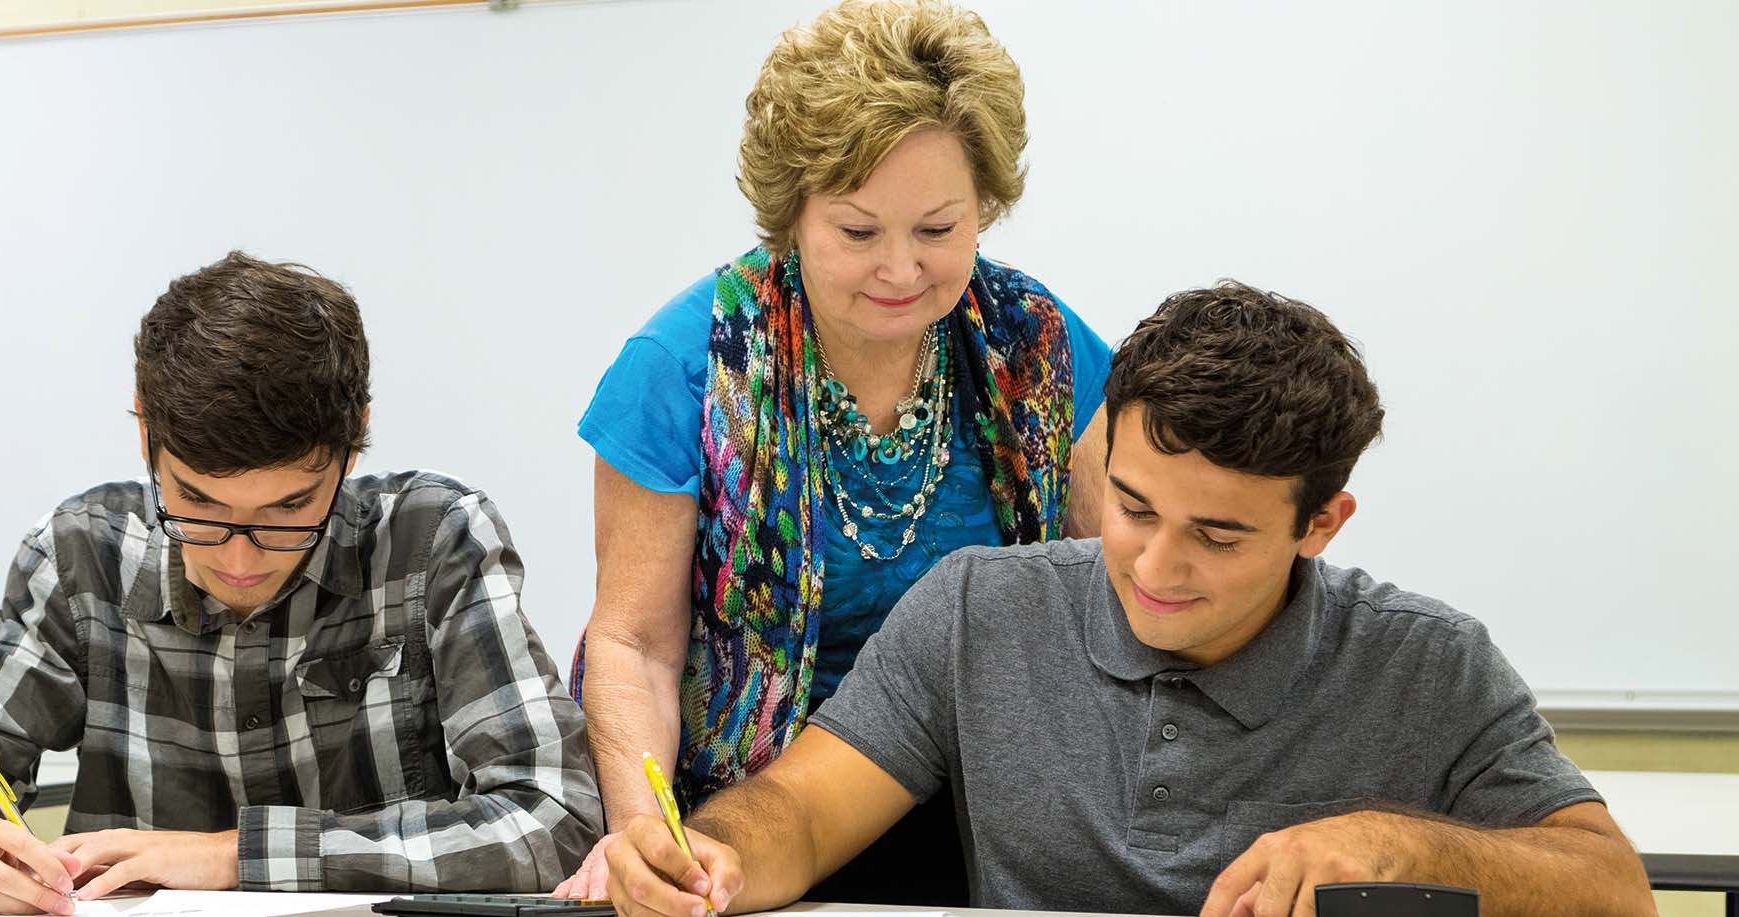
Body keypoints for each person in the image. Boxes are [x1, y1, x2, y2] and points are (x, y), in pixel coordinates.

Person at [599, 281, 1657, 917]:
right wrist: (716, 850)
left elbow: (1611, 888)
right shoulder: (975, 609)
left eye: (1216, 534)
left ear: (1320, 523)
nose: (1152, 564)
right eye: (1134, 505)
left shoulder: (1424, 660)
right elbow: (805, 807)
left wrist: (1396, 844)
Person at [556, 0, 1113, 904]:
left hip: (998, 817)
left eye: (939, 230)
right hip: (752, 824)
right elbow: (634, 643)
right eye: (858, 232)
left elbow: (1119, 588)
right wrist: (647, 840)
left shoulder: (1037, 345)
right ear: (792, 214)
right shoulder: (684, 368)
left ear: (986, 208)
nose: (901, 270)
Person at [0, 252, 602, 911]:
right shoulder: (82, 553)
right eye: (200, 506)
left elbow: (555, 817)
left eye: (289, 509)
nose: (239, 561)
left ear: (355, 439)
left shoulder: (434, 542)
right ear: (146, 434)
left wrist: (231, 854)